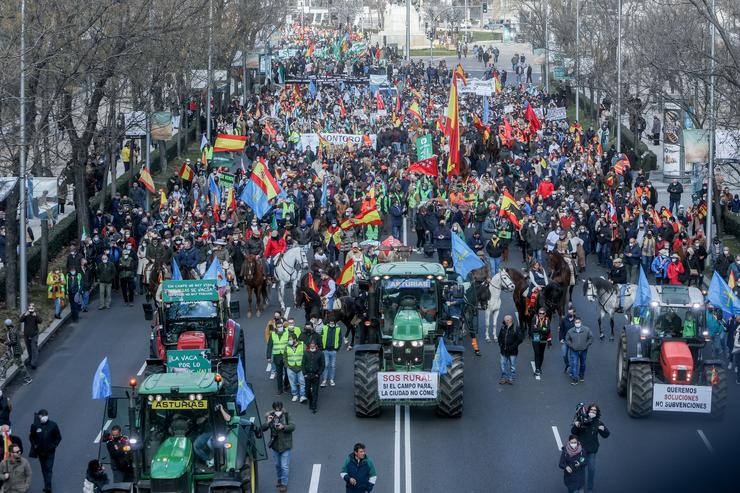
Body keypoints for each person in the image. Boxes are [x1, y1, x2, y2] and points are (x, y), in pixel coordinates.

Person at [571, 403, 610, 493]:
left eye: (594, 411)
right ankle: (580, 488)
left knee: (591, 469)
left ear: (597, 413)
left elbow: (606, 435)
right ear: (588, 411)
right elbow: (573, 432)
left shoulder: (598, 423)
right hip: (581, 450)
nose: (592, 412)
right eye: (591, 410)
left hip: (592, 450)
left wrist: (603, 430)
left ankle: (590, 489)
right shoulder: (582, 420)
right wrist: (576, 425)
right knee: (581, 470)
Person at [260, 401, 294, 492]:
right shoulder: (270, 415)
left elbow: (292, 426)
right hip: (275, 445)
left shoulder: (287, 415)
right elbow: (263, 428)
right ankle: (279, 479)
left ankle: (284, 484)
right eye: (276, 408)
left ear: (281, 407)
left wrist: (283, 427)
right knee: (277, 464)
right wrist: (268, 422)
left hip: (285, 444)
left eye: (279, 408)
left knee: (284, 466)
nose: (277, 409)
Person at [28, 409, 62, 493]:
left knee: (48, 468)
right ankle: (47, 484)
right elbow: (31, 437)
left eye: (44, 415)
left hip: (50, 451)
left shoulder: (53, 425)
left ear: (47, 415)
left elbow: (58, 437)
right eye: (41, 416)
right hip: (40, 452)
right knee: (44, 469)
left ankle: (48, 487)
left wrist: (54, 445)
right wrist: (35, 445)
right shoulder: (35, 426)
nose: (43, 417)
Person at [1, 320, 32, 384]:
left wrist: (6, 343)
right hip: (10, 351)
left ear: (7, 325)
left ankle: (28, 378)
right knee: (3, 361)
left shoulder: (12, 332)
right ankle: (2, 376)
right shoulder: (12, 330)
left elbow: (13, 342)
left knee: (20, 365)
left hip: (15, 351)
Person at [565, 317, 593, 384]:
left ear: (581, 322)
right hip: (574, 351)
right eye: (576, 322)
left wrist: (586, 345)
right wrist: (572, 346)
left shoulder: (586, 329)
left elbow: (591, 337)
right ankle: (575, 379)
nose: (577, 324)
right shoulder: (570, 331)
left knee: (583, 364)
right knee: (574, 364)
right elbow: (567, 339)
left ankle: (581, 375)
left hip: (583, 351)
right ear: (574, 323)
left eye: (578, 322)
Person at [497, 315, 524, 384]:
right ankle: (503, 378)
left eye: (505, 320)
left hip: (512, 351)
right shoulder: (503, 327)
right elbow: (499, 337)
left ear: (509, 321)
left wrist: (513, 347)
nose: (504, 322)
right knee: (502, 364)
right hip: (503, 351)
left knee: (512, 366)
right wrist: (500, 345)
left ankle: (511, 378)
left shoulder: (516, 328)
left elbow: (520, 339)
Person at [266, 321, 290, 394]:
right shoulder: (273, 334)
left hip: (286, 356)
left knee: (287, 372)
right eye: (278, 327)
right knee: (279, 374)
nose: (280, 328)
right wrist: (268, 357)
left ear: (283, 326)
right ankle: (280, 389)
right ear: (276, 327)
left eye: (281, 326)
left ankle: (286, 384)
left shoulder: (288, 333)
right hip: (277, 356)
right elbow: (269, 346)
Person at [302, 341, 325, 413]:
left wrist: (318, 374)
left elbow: (322, 365)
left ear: (316, 346)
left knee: (315, 392)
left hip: (315, 375)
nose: (312, 347)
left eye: (313, 346)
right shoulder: (306, 353)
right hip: (307, 375)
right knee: (307, 391)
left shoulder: (320, 353)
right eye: (311, 346)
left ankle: (314, 406)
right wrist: (304, 373)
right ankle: (311, 400)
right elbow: (303, 364)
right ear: (309, 346)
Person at [284, 333, 307, 403]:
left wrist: (304, 366)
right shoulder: (286, 346)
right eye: (289, 339)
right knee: (292, 382)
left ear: (295, 339)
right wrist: (287, 365)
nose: (289, 341)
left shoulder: (302, 345)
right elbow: (285, 357)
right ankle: (295, 395)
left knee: (302, 382)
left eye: (290, 339)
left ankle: (302, 395)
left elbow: (306, 355)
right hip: (290, 368)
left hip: (301, 368)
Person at [529, 308, 551, 377]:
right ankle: (537, 369)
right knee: (537, 352)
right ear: (538, 313)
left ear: (545, 314)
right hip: (536, 337)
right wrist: (542, 329)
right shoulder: (534, 319)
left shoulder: (547, 320)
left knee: (541, 353)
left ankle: (539, 366)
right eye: (540, 313)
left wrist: (538, 328)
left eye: (542, 313)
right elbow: (533, 329)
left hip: (543, 338)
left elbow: (547, 330)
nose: (541, 315)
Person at [19, 304, 41, 369]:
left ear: (34, 308)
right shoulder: (26, 314)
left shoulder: (36, 314)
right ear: (28, 308)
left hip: (34, 334)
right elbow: (20, 320)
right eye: (30, 308)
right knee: (29, 348)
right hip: (26, 335)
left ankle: (33, 363)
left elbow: (40, 321)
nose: (31, 310)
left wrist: (36, 315)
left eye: (32, 308)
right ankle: (31, 359)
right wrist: (25, 314)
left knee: (34, 349)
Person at [321, 318, 342, 387]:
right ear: (328, 322)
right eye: (330, 322)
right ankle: (324, 380)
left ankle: (331, 380)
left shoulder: (338, 329)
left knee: (333, 366)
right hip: (326, 350)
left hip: (333, 350)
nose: (331, 323)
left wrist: (337, 348)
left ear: (335, 322)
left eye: (333, 322)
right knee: (326, 365)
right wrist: (322, 348)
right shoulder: (324, 328)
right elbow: (321, 337)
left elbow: (340, 339)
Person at [559, 306, 577, 372]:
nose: (569, 314)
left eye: (571, 313)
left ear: (574, 313)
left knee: (573, 356)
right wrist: (561, 338)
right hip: (565, 341)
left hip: (573, 342)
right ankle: (567, 364)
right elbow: (561, 330)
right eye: (568, 312)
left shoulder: (577, 320)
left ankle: (572, 370)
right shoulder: (564, 320)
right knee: (564, 355)